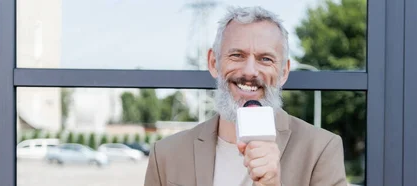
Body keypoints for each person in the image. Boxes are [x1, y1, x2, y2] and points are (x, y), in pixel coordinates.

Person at [144, 6, 347, 186]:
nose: (250, 72)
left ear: (284, 72)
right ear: (214, 63)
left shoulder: (321, 150)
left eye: (265, 59)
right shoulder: (166, 154)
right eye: (237, 55)